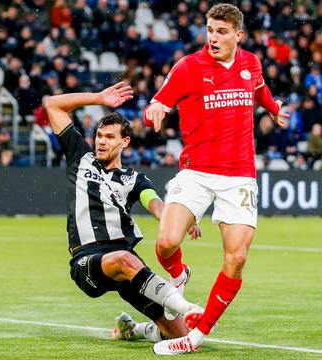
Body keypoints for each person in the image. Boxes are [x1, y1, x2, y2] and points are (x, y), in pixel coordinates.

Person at [143, 4, 290, 355]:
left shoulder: (250, 63)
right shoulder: (189, 67)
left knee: (236, 258)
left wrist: (272, 108)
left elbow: (259, 90)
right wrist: (156, 110)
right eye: (210, 30)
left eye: (222, 32)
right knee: (165, 242)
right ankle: (179, 275)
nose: (213, 37)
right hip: (196, 171)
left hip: (239, 176)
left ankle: (196, 336)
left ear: (238, 35)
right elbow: (159, 101)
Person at [43, 82, 204, 344]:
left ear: (124, 141)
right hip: (88, 261)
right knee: (123, 259)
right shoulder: (80, 157)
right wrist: (98, 98)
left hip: (128, 264)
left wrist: (176, 221)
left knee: (182, 337)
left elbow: (155, 204)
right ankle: (188, 307)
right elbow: (52, 103)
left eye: (109, 137)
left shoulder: (134, 178)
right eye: (99, 135)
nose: (101, 142)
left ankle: (134, 330)